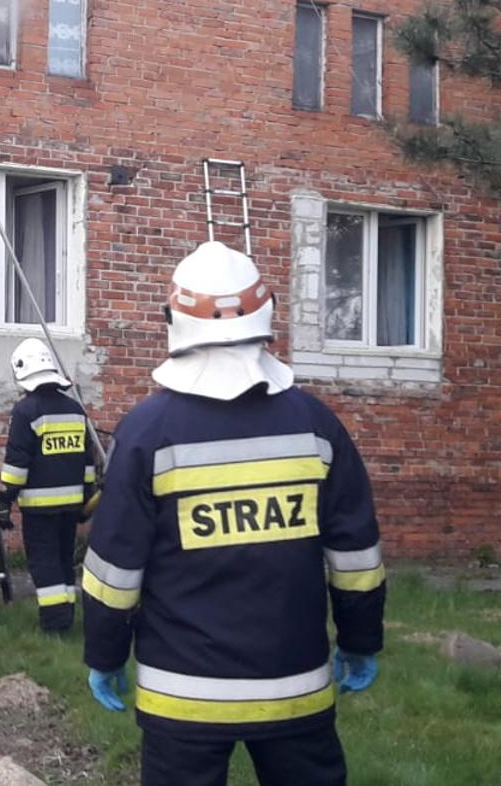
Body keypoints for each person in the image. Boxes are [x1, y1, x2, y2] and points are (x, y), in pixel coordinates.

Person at [81, 242, 386, 786]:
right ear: (265, 314)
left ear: (173, 320)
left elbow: (114, 574)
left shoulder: (147, 433)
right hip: (294, 686)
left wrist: (105, 654)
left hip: (183, 697)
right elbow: (356, 557)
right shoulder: (316, 425)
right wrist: (360, 641)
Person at [0, 337, 99, 633]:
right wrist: (86, 496)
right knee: (64, 559)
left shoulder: (26, 411)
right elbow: (87, 460)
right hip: (71, 504)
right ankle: (66, 615)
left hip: (39, 509)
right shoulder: (75, 410)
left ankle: (55, 625)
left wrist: (6, 500)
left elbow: (17, 463)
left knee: (45, 563)